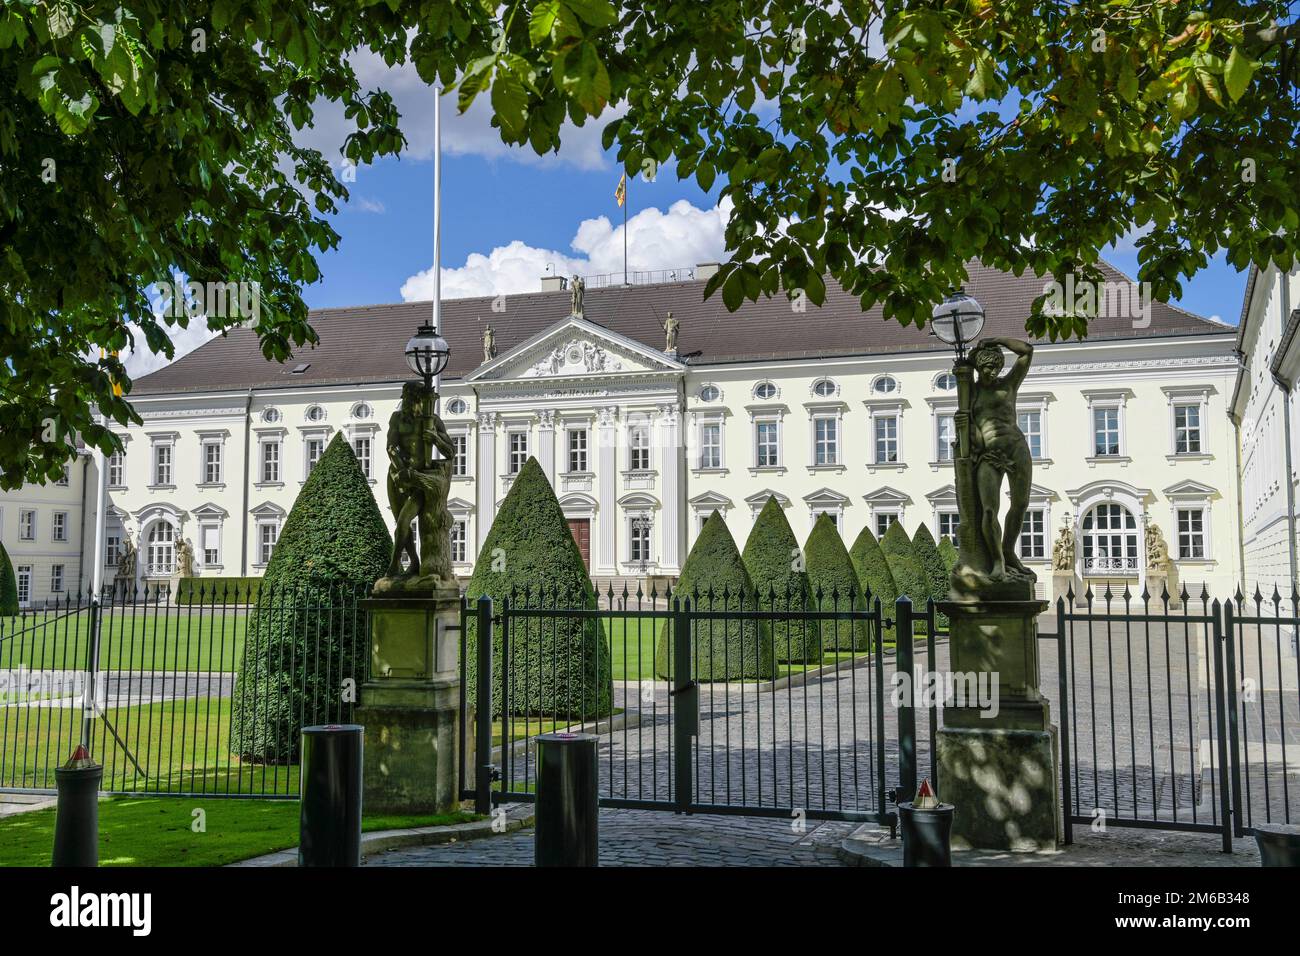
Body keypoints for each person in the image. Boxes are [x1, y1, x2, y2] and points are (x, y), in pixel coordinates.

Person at [969, 337, 1034, 581]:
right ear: (978, 367)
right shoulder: (970, 391)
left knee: (1020, 505)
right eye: (986, 367)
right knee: (988, 510)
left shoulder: (1009, 385)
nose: (991, 372)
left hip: (1017, 448)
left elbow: (1027, 351)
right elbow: (968, 422)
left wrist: (996, 340)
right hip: (989, 455)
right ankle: (998, 562)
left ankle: (1008, 551)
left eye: (995, 367)